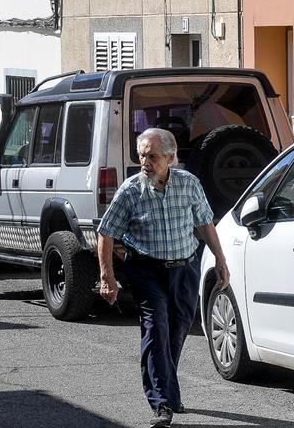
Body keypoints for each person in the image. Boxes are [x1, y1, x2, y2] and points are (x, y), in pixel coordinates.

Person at [96, 127, 230, 427]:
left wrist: (220, 260)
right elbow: (105, 233)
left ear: (170, 158)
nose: (145, 162)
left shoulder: (189, 184)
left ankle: (169, 389)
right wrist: (107, 277)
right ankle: (161, 403)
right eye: (142, 156)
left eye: (152, 157)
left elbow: (205, 223)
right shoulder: (131, 190)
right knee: (156, 330)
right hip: (146, 270)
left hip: (184, 268)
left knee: (177, 331)